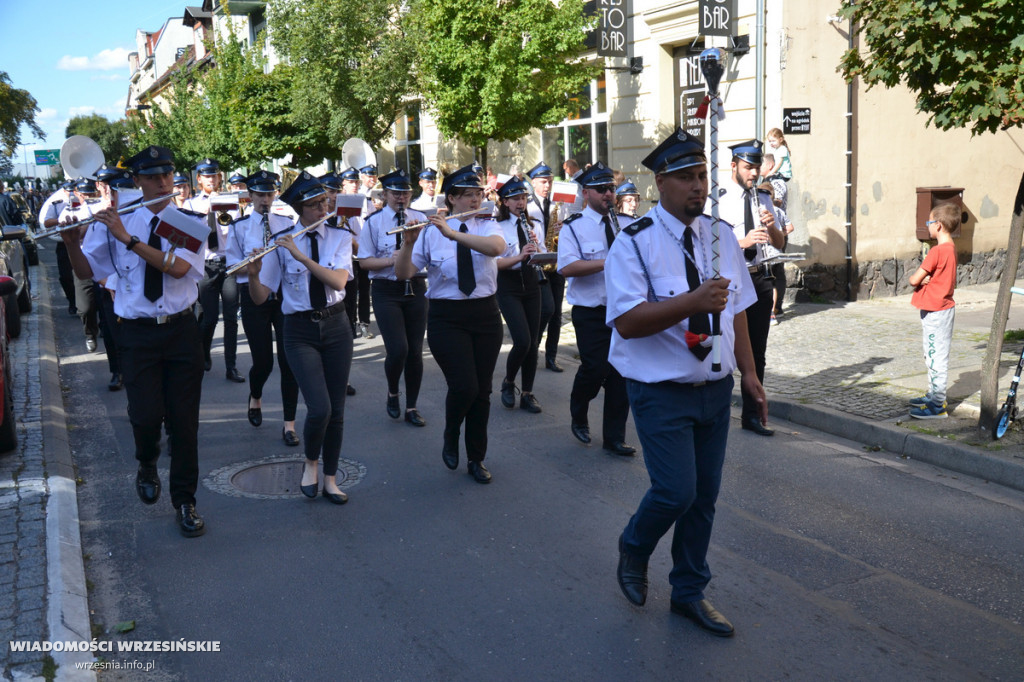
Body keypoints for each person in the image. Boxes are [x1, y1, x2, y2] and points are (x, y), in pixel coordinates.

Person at [607, 128, 766, 637]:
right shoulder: (634, 243)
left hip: (714, 390)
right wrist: (694, 301)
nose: (698, 187)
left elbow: (737, 311)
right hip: (660, 391)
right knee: (675, 491)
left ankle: (689, 591)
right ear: (660, 183)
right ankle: (634, 544)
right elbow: (628, 321)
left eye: (702, 176)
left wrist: (751, 375)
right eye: (685, 178)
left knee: (704, 498)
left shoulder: (719, 237)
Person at [61, 145, 208, 537]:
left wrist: (126, 239)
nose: (163, 183)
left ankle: (185, 501)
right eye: (152, 177)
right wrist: (73, 242)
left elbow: (176, 269)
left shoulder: (190, 221)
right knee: (144, 416)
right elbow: (89, 272)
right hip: (138, 333)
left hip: (180, 330)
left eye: (167, 175)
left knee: (184, 422)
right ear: (137, 183)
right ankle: (146, 461)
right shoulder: (113, 222)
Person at [394, 163, 506, 484]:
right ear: (451, 199)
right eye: (468, 196)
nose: (475, 201)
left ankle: (476, 457)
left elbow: (497, 249)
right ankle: (450, 431)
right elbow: (403, 274)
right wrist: (409, 243)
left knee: (482, 391)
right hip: (447, 317)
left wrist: (454, 233)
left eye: (478, 195)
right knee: (464, 386)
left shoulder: (487, 224)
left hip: (485, 314)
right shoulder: (430, 232)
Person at [247, 171, 354, 504]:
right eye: (315, 205)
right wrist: (252, 274)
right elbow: (261, 297)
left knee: (336, 409)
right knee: (319, 407)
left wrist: (302, 257)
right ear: (299, 210)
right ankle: (311, 462)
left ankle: (331, 478)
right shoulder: (281, 244)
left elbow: (338, 282)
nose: (324, 209)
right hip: (299, 331)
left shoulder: (337, 237)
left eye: (324, 202)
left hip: (336, 326)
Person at [556, 162, 634, 456]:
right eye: (601, 189)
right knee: (595, 368)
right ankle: (579, 407)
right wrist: (608, 261)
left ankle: (614, 437)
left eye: (611, 189)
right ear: (586, 193)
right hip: (591, 311)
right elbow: (567, 267)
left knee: (620, 373)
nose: (608, 194)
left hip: (623, 310)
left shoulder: (626, 224)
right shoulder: (574, 227)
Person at [712, 140, 785, 436]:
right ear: (734, 167)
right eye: (748, 167)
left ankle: (752, 415)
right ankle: (717, 408)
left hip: (761, 276)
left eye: (756, 167)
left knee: (758, 352)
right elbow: (711, 245)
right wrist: (742, 242)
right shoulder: (717, 200)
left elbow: (779, 244)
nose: (754, 173)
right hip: (731, 281)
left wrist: (771, 228)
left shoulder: (763, 199)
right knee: (725, 345)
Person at [226, 170, 302, 446]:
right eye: (260, 194)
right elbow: (231, 269)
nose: (265, 199)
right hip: (254, 295)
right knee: (263, 362)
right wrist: (250, 265)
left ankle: (289, 424)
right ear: (250, 195)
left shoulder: (287, 222)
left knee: (288, 362)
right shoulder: (239, 227)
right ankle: (255, 395)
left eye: (269, 194)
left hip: (283, 297)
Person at [358, 169, 429, 426]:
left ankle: (412, 406)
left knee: (415, 352)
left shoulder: (420, 218)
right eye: (396, 193)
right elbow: (364, 261)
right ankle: (392, 392)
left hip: (416, 287)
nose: (401, 198)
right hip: (386, 290)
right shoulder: (374, 222)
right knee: (398, 349)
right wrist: (393, 260)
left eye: (405, 193)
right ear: (385, 194)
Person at [185, 159, 244, 382]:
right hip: (205, 266)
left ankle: (231, 366)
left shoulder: (231, 202)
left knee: (230, 318)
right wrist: (205, 213)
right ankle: (203, 354)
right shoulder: (190, 205)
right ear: (199, 179)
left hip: (227, 263)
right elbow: (191, 238)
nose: (211, 179)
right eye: (206, 176)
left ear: (220, 178)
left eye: (214, 176)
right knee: (208, 317)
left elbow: (236, 232)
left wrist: (223, 211)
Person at [494, 176, 544, 413]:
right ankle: (508, 381)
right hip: (509, 286)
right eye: (515, 198)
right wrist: (520, 255)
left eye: (523, 198)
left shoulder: (534, 225)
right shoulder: (497, 228)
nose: (520, 202)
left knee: (533, 343)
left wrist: (539, 250)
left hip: (533, 285)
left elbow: (543, 256)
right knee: (522, 340)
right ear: (505, 202)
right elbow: (496, 263)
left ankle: (527, 392)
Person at [907, 203, 960, 419]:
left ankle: (938, 405)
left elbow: (913, 280)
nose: (927, 226)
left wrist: (923, 278)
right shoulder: (952, 249)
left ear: (938, 225)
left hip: (935, 311)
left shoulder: (937, 251)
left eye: (929, 222)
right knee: (934, 354)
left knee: (934, 355)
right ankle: (933, 395)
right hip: (943, 309)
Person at [320, 171, 358, 397]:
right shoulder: (316, 215)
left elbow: (359, 249)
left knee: (347, 323)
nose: (333, 196)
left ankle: (343, 377)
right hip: (322, 275)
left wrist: (347, 233)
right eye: (329, 191)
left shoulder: (348, 215)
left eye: (336, 191)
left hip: (345, 273)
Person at [526, 162, 565, 373]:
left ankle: (551, 357)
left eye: (549, 181)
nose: (547, 185)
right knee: (547, 309)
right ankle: (534, 345)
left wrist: (561, 227)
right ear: (533, 183)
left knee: (557, 314)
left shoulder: (557, 204)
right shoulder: (528, 205)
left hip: (556, 261)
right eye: (543, 182)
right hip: (539, 264)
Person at [57, 178, 103, 353]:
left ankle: (106, 331)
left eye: (91, 193)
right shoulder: (68, 211)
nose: (87, 197)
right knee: (85, 307)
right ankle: (90, 334)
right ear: (77, 193)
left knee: (107, 306)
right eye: (84, 194)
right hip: (83, 260)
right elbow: (69, 235)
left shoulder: (102, 207)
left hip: (102, 259)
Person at [757, 182, 795, 324]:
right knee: (776, 280)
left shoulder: (763, 210)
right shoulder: (779, 211)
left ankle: (771, 312)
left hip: (767, 251)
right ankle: (776, 309)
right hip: (776, 250)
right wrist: (782, 235)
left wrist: (778, 234)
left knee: (770, 281)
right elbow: (790, 227)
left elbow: (790, 227)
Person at [39, 181, 78, 314]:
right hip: (64, 241)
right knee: (66, 276)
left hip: (83, 239)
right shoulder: (56, 203)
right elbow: (47, 222)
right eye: (69, 191)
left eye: (74, 190)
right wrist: (60, 220)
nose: (72, 193)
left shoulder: (83, 199)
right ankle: (72, 301)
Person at [763, 128, 792, 210]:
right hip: (780, 173)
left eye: (773, 141)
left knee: (771, 180)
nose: (771, 143)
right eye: (770, 141)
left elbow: (778, 163)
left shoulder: (782, 149)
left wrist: (771, 172)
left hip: (783, 174)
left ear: (781, 139)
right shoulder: (777, 149)